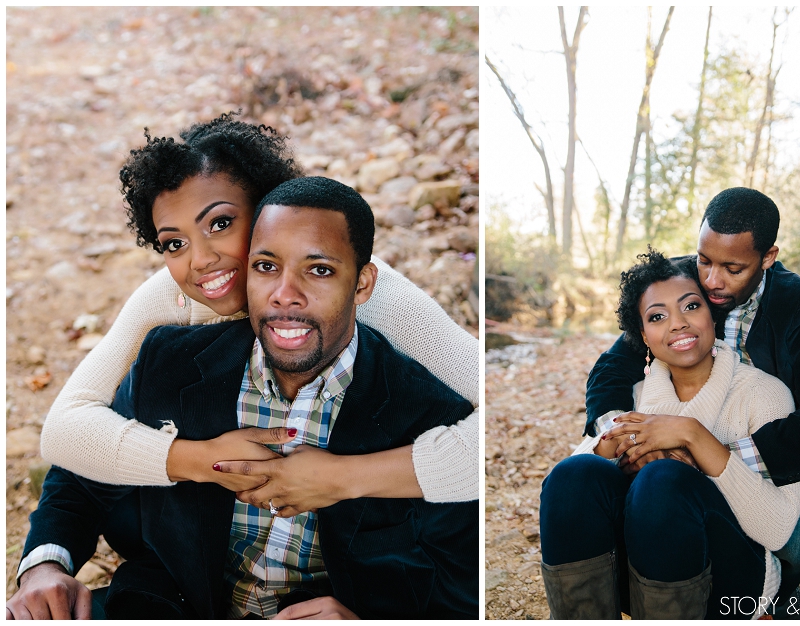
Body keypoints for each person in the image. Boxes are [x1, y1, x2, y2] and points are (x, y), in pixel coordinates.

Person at [8, 177, 478, 620]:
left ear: (362, 285)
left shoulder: (430, 410)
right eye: (266, 267)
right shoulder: (170, 360)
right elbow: (84, 472)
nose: (284, 295)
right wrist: (44, 565)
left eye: (318, 271)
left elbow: (459, 587)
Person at [37, 113, 478, 515]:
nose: (201, 260)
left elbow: (490, 419)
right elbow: (63, 429)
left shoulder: (371, 297)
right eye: (175, 243)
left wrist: (344, 478)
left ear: (268, 209)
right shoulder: (168, 298)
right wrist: (201, 460)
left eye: (221, 223)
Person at [581, 187, 800, 610]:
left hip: (777, 447)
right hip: (679, 434)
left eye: (732, 268)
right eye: (704, 260)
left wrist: (708, 453)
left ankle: (767, 594)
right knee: (607, 484)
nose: (711, 280)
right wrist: (624, 434)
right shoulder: (678, 282)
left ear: (767, 258)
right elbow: (610, 372)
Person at [540, 249, 800, 619]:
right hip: (642, 579)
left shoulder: (764, 394)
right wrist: (623, 447)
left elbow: (778, 531)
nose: (677, 324)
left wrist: (693, 437)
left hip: (732, 582)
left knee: (663, 480)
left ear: (712, 314)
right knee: (572, 476)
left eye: (691, 307)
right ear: (643, 337)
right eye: (658, 317)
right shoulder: (634, 397)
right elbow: (569, 495)